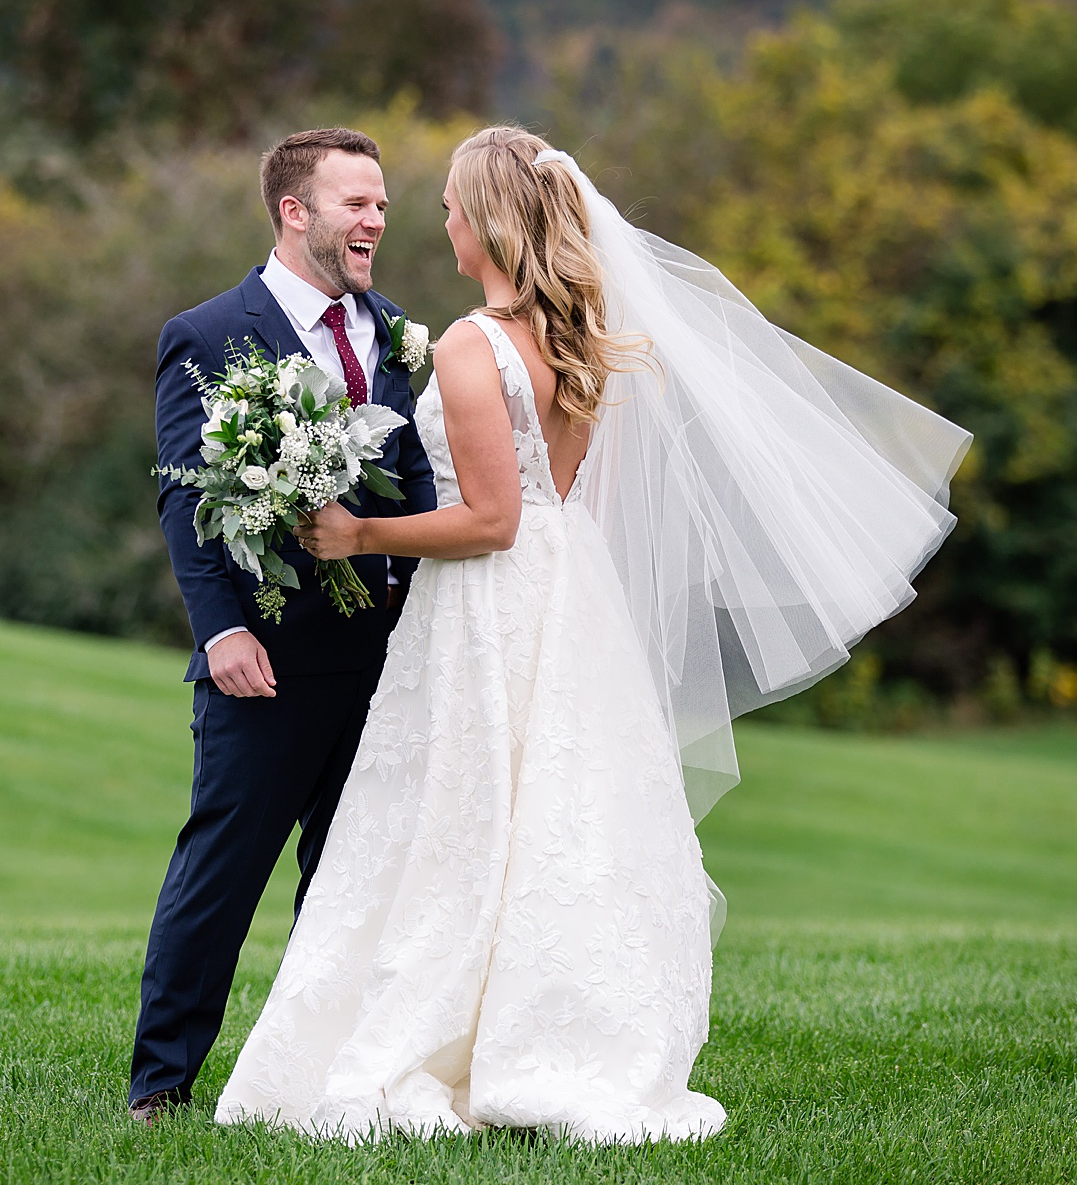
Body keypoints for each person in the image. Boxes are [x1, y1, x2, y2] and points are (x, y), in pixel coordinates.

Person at [213, 127, 971, 1142]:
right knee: (556, 813)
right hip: (573, 597)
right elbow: (548, 503)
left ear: (486, 219)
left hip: (489, 604)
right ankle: (553, 1027)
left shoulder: (473, 343)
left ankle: (450, 1042)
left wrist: (356, 531)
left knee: (465, 819)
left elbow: (491, 519)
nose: (434, 220)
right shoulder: (579, 334)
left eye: (446, 203)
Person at [129, 127, 437, 1123]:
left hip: (383, 658)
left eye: (383, 204)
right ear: (292, 211)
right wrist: (221, 633)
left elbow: (419, 487)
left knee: (347, 885)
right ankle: (161, 1083)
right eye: (356, 202)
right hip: (262, 661)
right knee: (220, 874)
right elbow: (183, 496)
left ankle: (320, 1079)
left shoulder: (394, 329)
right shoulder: (208, 332)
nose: (376, 220)